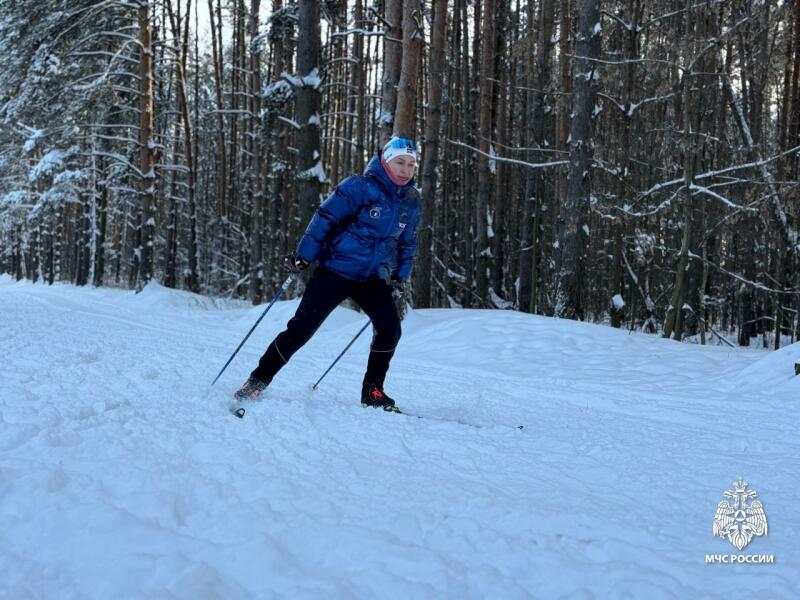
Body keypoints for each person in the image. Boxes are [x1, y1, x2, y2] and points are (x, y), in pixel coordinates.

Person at [234, 136, 421, 410]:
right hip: (336, 269)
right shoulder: (359, 187)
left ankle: (373, 391)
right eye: (400, 162)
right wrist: (304, 256)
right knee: (302, 328)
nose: (405, 169)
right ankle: (257, 380)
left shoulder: (411, 201)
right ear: (385, 161)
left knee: (390, 328)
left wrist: (398, 278)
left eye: (411, 164)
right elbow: (325, 218)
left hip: (371, 277)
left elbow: (407, 242)